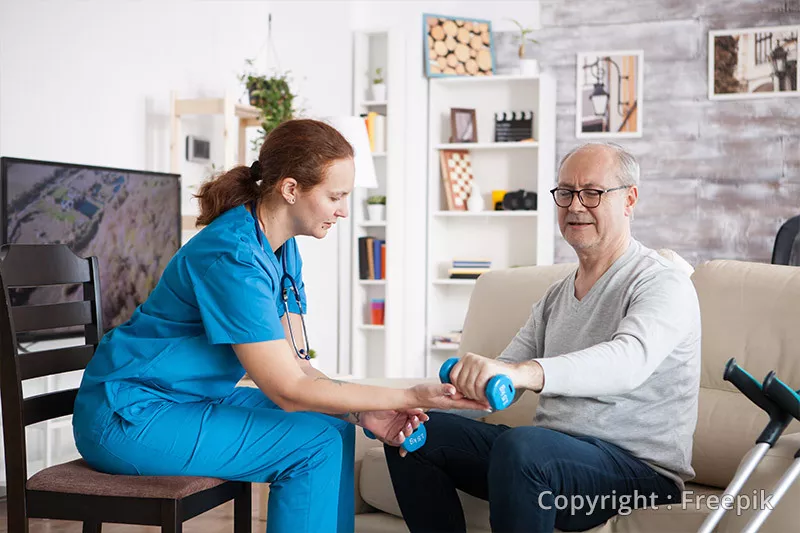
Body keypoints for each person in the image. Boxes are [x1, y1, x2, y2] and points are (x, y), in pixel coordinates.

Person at [72, 119, 488, 533]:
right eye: (335, 196)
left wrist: (361, 411)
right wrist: (411, 394)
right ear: (291, 189)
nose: (344, 209)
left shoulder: (282, 250)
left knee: (336, 428)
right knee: (313, 448)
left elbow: (300, 367)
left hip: (186, 401)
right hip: (129, 414)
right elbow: (287, 389)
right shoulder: (232, 255)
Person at [384, 142, 701, 532]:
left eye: (592, 193)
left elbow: (628, 361)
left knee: (526, 447)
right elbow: (499, 382)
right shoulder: (556, 295)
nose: (575, 206)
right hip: (550, 460)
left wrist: (525, 373)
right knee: (416, 432)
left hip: (638, 472)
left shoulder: (660, 281)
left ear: (629, 200)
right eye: (565, 192)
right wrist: (415, 403)